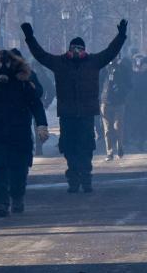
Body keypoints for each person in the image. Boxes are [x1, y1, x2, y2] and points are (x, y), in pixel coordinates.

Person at [21, 19, 127, 194]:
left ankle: (86, 179)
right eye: (73, 48)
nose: (76, 51)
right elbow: (41, 55)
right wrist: (29, 37)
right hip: (68, 114)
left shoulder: (93, 62)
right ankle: (73, 180)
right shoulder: (60, 63)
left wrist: (121, 36)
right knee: (69, 149)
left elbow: (110, 52)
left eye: (79, 48)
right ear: (69, 49)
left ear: (84, 50)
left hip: (86, 114)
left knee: (85, 148)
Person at [0, 49, 49, 217]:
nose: (3, 67)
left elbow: (36, 105)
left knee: (19, 170)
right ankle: (1, 203)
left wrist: (41, 126)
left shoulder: (23, 83)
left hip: (19, 135)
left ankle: (17, 198)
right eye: (0, 63)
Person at [100, 56, 132, 161]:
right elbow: (98, 83)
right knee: (107, 130)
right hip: (105, 101)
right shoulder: (103, 68)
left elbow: (129, 85)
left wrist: (121, 91)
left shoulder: (123, 69)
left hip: (119, 102)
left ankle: (120, 147)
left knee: (118, 126)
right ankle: (109, 152)